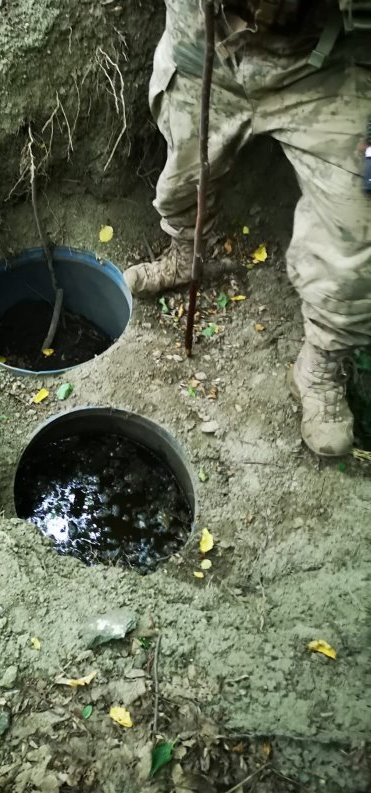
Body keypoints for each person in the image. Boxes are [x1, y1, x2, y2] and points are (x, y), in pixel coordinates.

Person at [125, 0, 371, 457]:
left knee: (358, 230)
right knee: (182, 176)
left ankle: (320, 365)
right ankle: (186, 255)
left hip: (329, 60)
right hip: (206, 32)